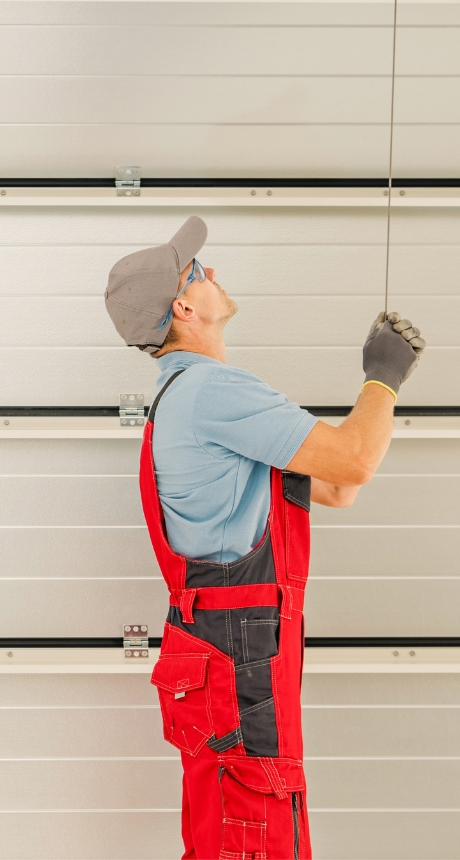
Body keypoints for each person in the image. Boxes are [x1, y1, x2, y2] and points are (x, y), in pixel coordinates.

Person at [105, 215, 425, 860]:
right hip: (240, 647)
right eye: (200, 271)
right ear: (184, 305)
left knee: (230, 820)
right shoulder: (213, 390)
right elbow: (355, 463)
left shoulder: (185, 396)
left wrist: (372, 403)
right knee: (256, 825)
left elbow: (337, 487)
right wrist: (382, 379)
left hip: (223, 645)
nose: (214, 274)